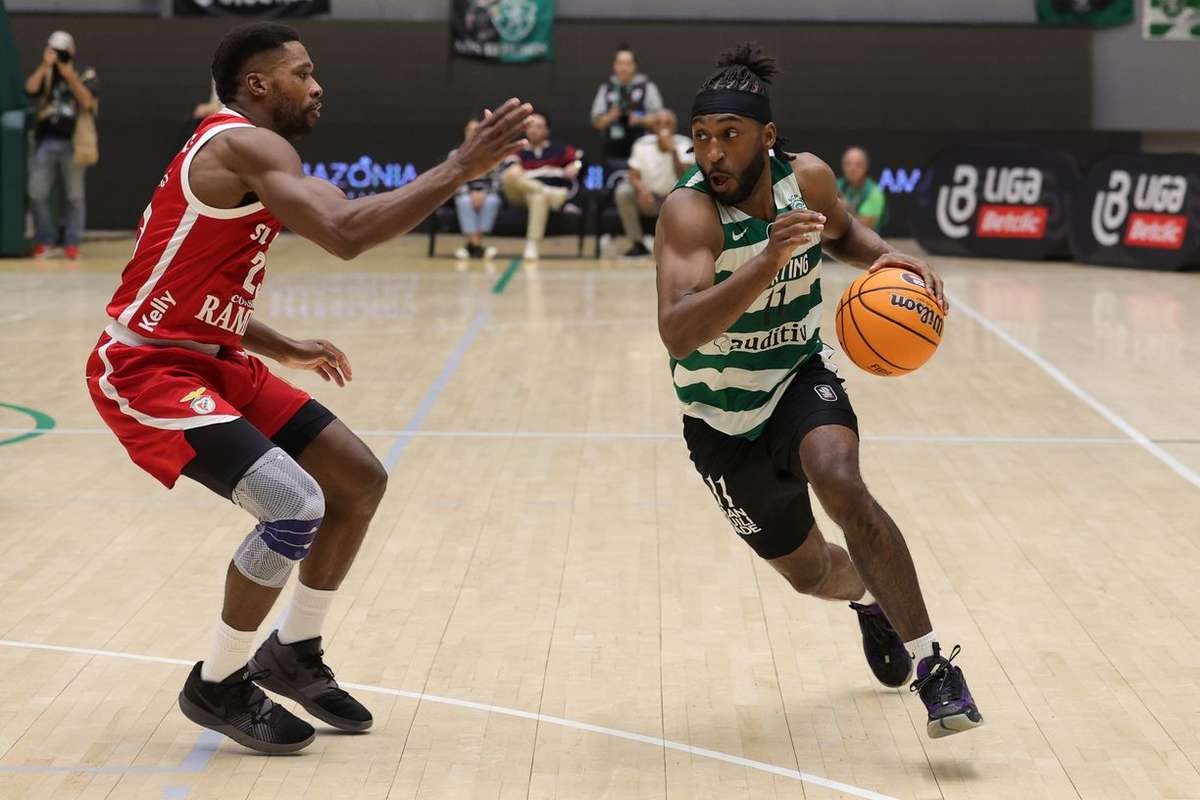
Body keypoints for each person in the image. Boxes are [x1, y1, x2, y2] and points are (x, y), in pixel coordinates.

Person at [83, 22, 531, 754]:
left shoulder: (245, 154)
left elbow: (186, 281)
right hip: (145, 365)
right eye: (303, 71)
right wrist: (458, 167)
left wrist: (275, 342)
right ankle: (218, 682)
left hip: (214, 354)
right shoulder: (244, 144)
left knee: (357, 481)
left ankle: (292, 652)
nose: (317, 85)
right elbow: (346, 232)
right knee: (293, 506)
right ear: (258, 85)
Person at [653, 43, 983, 739]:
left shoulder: (809, 179)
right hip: (719, 422)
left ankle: (935, 667)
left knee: (841, 480)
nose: (712, 152)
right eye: (702, 137)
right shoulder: (689, 215)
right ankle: (868, 602)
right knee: (812, 574)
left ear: (767, 139)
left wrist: (881, 255)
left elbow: (842, 231)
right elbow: (679, 331)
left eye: (729, 136)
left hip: (799, 373)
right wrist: (769, 260)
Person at [24, 30, 98, 261]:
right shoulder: (47, 72)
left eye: (63, 50)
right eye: (54, 50)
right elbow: (30, 89)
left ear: (72, 50)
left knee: (74, 195)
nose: (59, 55)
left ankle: (72, 242)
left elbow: (87, 102)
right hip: (47, 139)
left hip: (74, 142)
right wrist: (46, 66)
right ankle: (46, 240)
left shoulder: (84, 72)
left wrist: (70, 76)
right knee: (36, 192)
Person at [500, 112, 580, 262]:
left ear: (547, 131)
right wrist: (514, 168)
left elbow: (581, 159)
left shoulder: (559, 149)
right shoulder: (518, 150)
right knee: (508, 175)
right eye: (530, 126)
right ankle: (544, 190)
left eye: (538, 126)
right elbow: (509, 166)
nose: (533, 130)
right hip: (521, 194)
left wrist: (575, 165)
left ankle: (532, 244)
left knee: (538, 197)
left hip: (545, 195)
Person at [614, 110, 691, 258]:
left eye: (667, 124)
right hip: (648, 199)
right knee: (623, 192)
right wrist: (641, 189)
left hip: (674, 202)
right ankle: (638, 244)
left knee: (692, 195)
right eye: (658, 123)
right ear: (653, 127)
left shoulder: (684, 144)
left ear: (674, 127)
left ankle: (681, 245)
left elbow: (686, 177)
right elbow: (633, 175)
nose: (663, 127)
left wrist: (672, 151)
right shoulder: (642, 144)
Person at [589, 45, 664, 161]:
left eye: (628, 64)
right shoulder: (606, 88)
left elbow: (660, 119)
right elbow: (596, 122)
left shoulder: (647, 87)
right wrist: (610, 116)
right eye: (620, 63)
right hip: (612, 150)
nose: (624, 68)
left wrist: (639, 119)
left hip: (642, 149)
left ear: (635, 66)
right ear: (614, 65)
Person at [451, 117, 501, 263]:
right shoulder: (455, 155)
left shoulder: (494, 154)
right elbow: (454, 180)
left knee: (492, 201)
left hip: (487, 194)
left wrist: (484, 194)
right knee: (464, 201)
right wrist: (469, 193)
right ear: (465, 133)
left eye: (477, 130)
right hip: (465, 193)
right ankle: (478, 247)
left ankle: (471, 247)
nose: (474, 133)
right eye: (470, 130)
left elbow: (497, 180)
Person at [837, 146, 887, 232]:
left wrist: (845, 208)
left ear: (866, 166)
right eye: (848, 164)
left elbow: (863, 228)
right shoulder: (836, 185)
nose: (852, 168)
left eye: (858, 165)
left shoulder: (874, 193)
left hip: (868, 241)